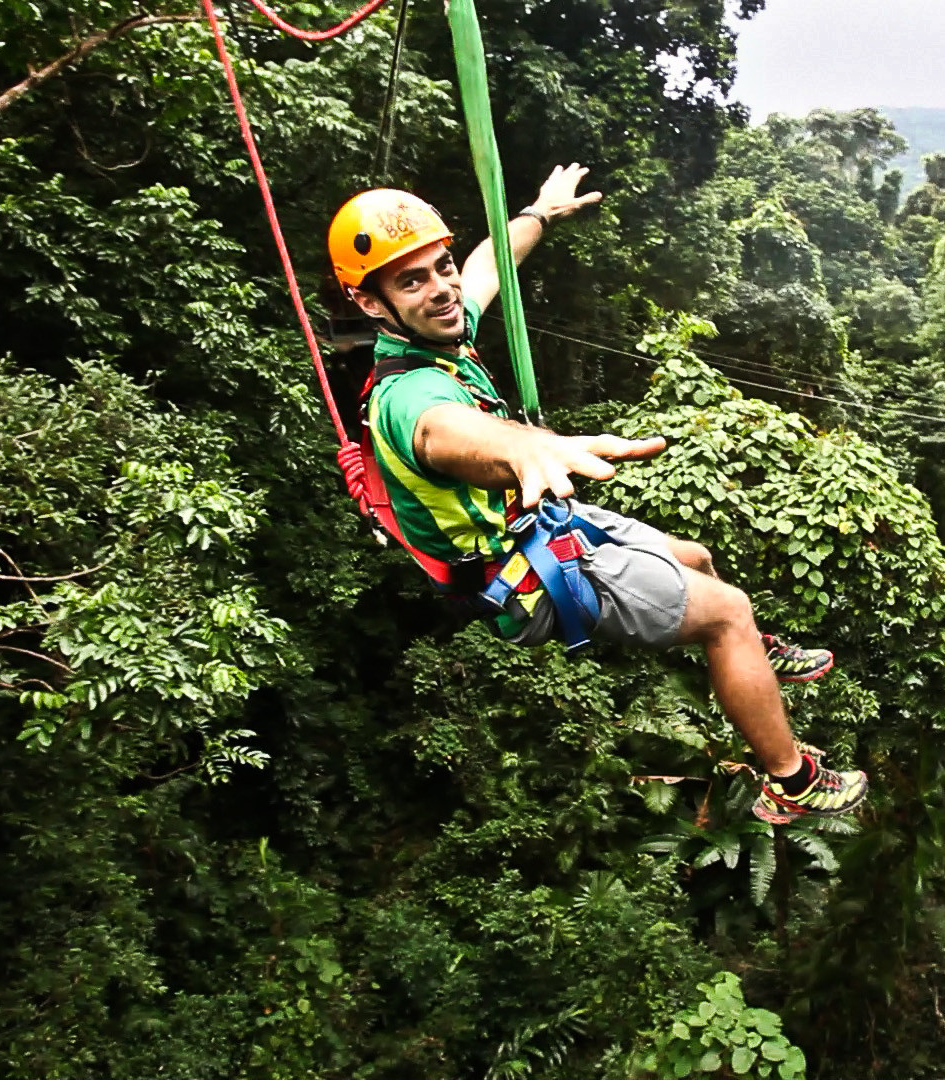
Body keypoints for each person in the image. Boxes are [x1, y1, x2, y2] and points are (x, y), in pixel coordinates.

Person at [326, 165, 866, 824]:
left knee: (694, 557)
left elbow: (490, 264)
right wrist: (525, 447)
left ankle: (757, 654)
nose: (442, 289)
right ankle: (792, 780)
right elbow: (449, 432)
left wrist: (540, 213)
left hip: (538, 521)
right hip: (521, 575)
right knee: (728, 612)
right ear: (370, 303)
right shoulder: (410, 396)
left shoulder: (441, 329)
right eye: (412, 281)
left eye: (440, 268)